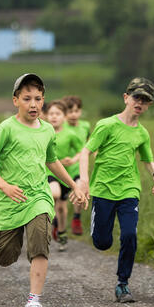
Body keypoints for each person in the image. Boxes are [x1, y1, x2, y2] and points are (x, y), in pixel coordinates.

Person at [0, 73, 88, 307]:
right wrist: (5, 186)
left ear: (44, 101)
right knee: (6, 255)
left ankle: (34, 301)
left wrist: (74, 185)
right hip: (10, 200)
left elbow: (52, 161)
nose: (33, 104)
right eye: (27, 98)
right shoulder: (6, 128)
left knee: (40, 241)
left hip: (39, 195)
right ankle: (10, 241)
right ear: (15, 100)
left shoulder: (48, 130)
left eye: (38, 99)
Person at [78, 77, 154, 303]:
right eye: (137, 97)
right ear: (126, 98)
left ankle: (122, 284)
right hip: (103, 190)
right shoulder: (106, 125)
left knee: (129, 235)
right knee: (102, 243)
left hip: (129, 190)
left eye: (145, 100)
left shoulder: (142, 133)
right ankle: (97, 229)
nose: (140, 102)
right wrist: (84, 181)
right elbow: (86, 152)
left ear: (148, 105)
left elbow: (147, 159)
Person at [46, 100, 83, 252]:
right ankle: (50, 223)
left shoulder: (70, 134)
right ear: (47, 116)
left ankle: (61, 233)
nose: (54, 117)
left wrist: (73, 159)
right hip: (48, 172)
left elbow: (84, 150)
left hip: (64, 174)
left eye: (57, 114)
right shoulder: (43, 132)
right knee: (54, 193)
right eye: (51, 114)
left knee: (62, 208)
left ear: (64, 116)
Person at [63, 95, 92, 236]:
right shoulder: (59, 126)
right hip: (61, 167)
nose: (73, 114)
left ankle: (76, 218)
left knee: (80, 189)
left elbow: (89, 146)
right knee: (59, 199)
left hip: (78, 166)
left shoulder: (85, 126)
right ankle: (58, 221)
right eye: (70, 111)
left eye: (76, 111)